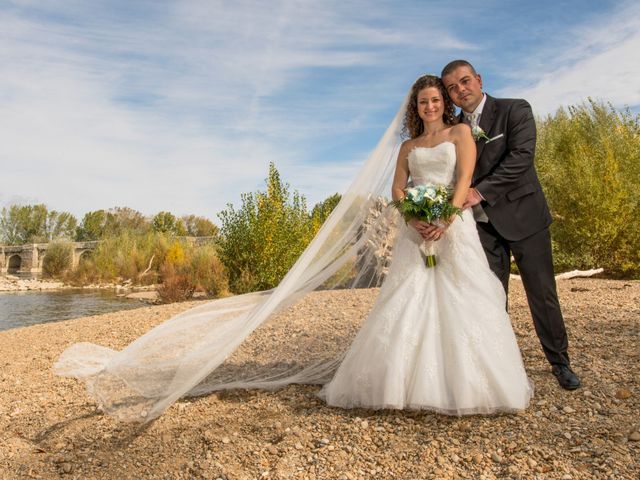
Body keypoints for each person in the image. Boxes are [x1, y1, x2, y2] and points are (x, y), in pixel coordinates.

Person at [318, 75, 533, 414]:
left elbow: (463, 178)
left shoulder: (460, 133)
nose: (430, 106)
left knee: (464, 294)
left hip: (453, 226)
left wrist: (446, 218)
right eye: (423, 102)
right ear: (415, 108)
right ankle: (400, 383)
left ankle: (470, 386)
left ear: (443, 103)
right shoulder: (409, 147)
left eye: (435, 100)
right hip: (416, 231)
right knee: (407, 297)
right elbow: (398, 189)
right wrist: (411, 217)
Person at [439, 60, 580, 390]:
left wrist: (478, 192)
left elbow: (521, 157)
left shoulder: (515, 109)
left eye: (464, 81)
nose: (461, 89)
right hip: (481, 227)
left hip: (525, 217)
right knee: (489, 296)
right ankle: (498, 368)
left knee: (542, 294)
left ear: (479, 80)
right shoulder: (453, 130)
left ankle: (560, 363)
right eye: (452, 87)